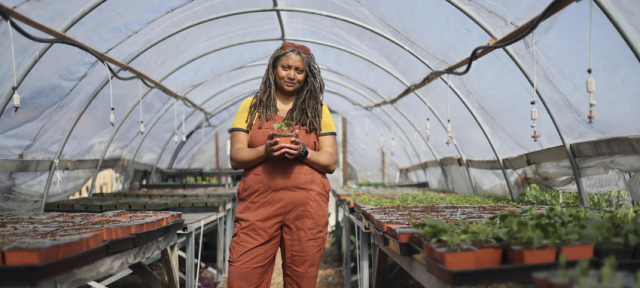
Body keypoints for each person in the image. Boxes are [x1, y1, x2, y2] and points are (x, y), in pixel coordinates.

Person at [227, 42, 338, 287]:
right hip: (258, 206)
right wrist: (266, 151)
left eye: (299, 70)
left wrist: (303, 152)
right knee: (242, 277)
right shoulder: (251, 107)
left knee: (302, 279)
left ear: (306, 75)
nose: (291, 75)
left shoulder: (318, 110)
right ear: (273, 69)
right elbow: (236, 156)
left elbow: (330, 161)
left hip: (306, 208)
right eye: (285, 67)